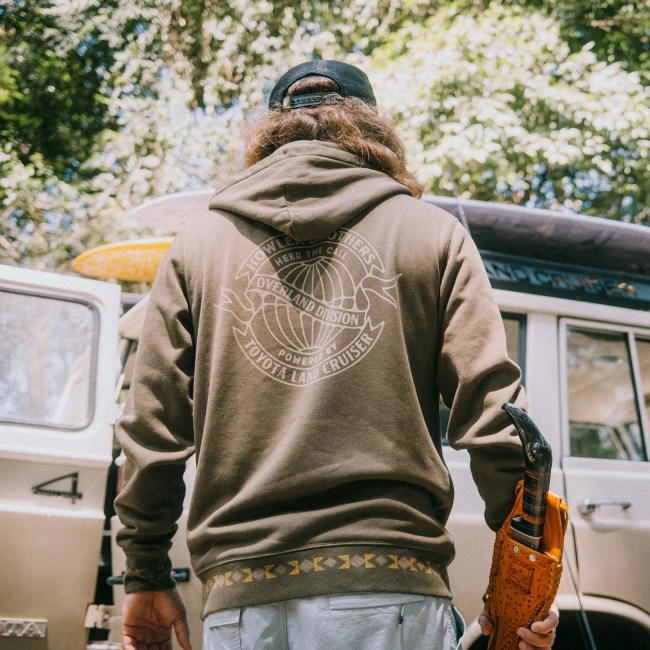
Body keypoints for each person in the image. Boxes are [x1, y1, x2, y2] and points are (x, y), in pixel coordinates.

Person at [115, 59, 559, 650]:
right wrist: (522, 585)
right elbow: (497, 418)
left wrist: (145, 572)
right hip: (391, 593)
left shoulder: (196, 246)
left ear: (268, 135)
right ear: (373, 129)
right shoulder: (432, 235)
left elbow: (151, 429)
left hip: (242, 604)